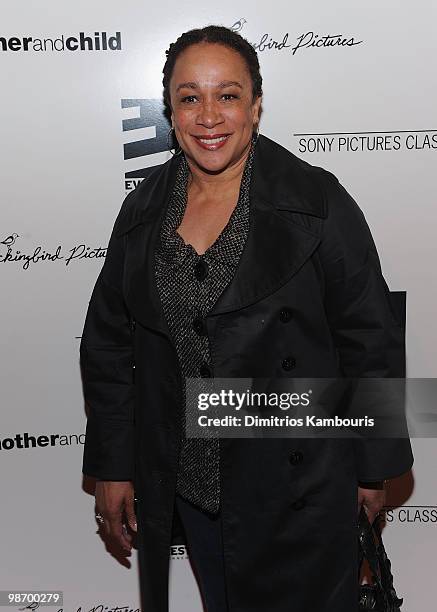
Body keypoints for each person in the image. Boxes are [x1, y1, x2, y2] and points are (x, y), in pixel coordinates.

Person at [80, 25, 413, 612]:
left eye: (227, 95)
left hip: (301, 484)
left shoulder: (317, 200)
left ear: (256, 106)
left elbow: (370, 338)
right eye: (190, 97)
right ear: (171, 111)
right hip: (195, 488)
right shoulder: (143, 209)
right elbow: (108, 345)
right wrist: (115, 464)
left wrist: (373, 469)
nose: (209, 115)